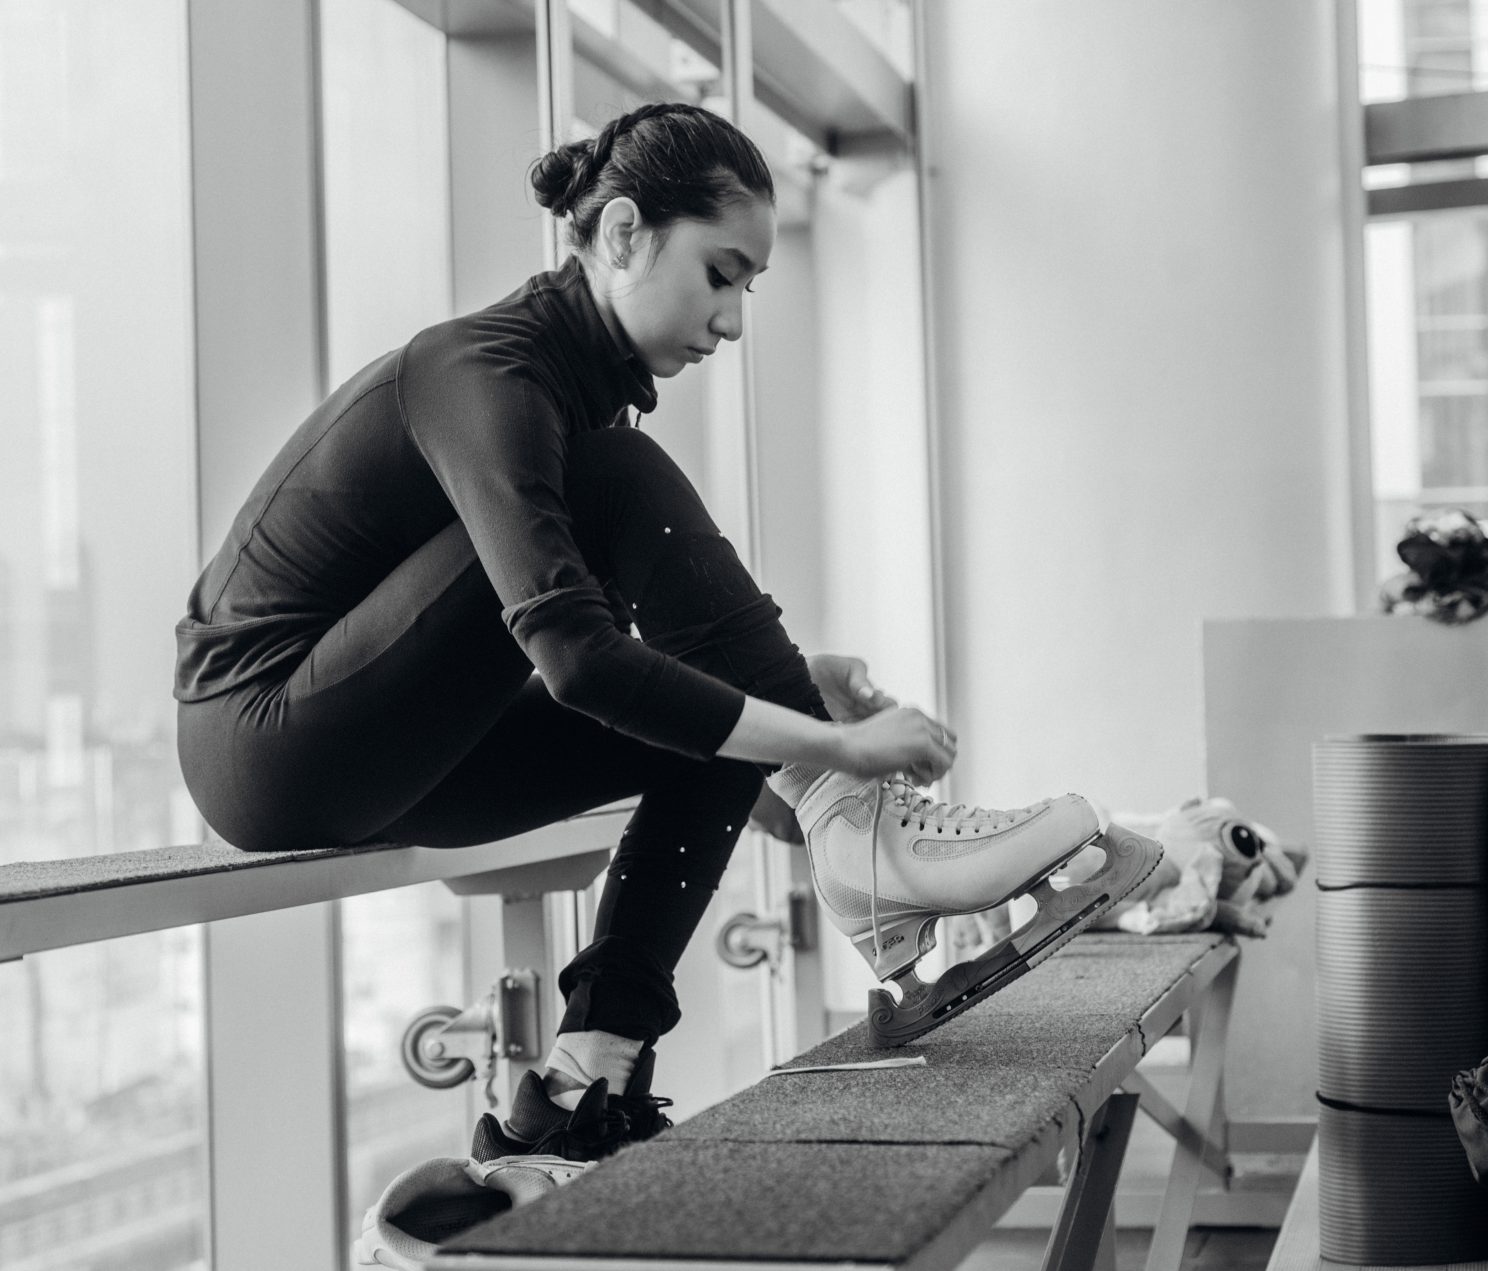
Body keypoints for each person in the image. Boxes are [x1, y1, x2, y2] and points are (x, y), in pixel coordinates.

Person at [173, 102, 1153, 1162]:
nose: (731, 321)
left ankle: (585, 1077)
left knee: (726, 725)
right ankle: (855, 825)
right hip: (265, 740)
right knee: (654, 544)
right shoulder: (481, 375)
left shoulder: (563, 400)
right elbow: (576, 657)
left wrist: (785, 709)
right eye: (720, 274)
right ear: (625, 233)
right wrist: (827, 745)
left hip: (392, 744)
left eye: (746, 289)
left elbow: (595, 660)